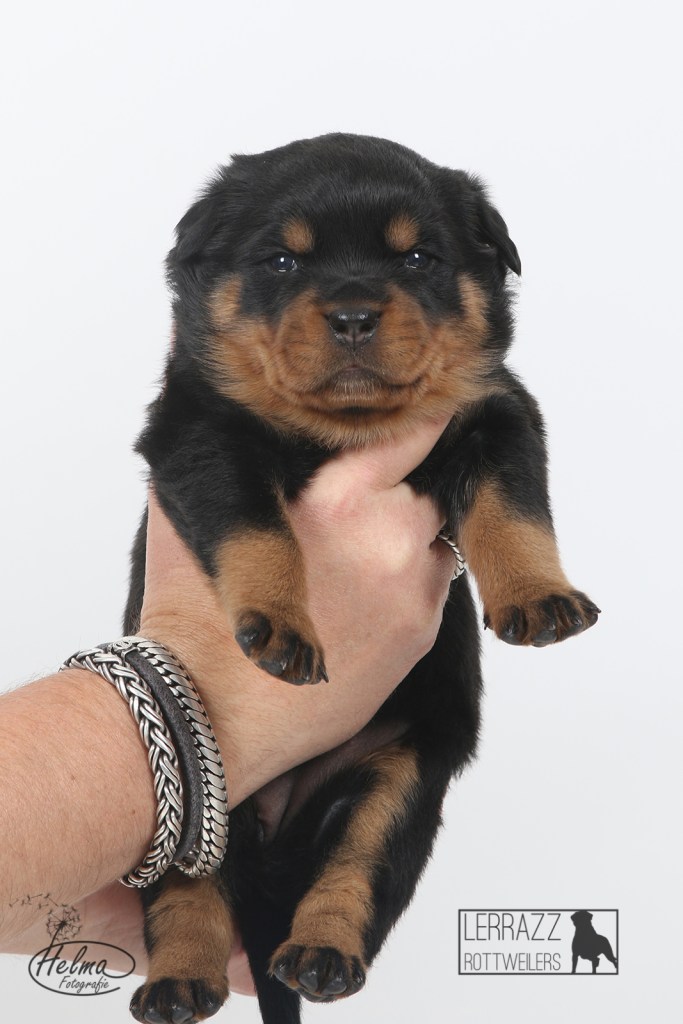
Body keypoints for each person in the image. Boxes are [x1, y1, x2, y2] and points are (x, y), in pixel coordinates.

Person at [0, 416, 456, 995]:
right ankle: (193, 935)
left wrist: (80, 898)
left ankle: (333, 918)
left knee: (398, 787)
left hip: (387, 736)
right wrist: (206, 709)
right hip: (216, 738)